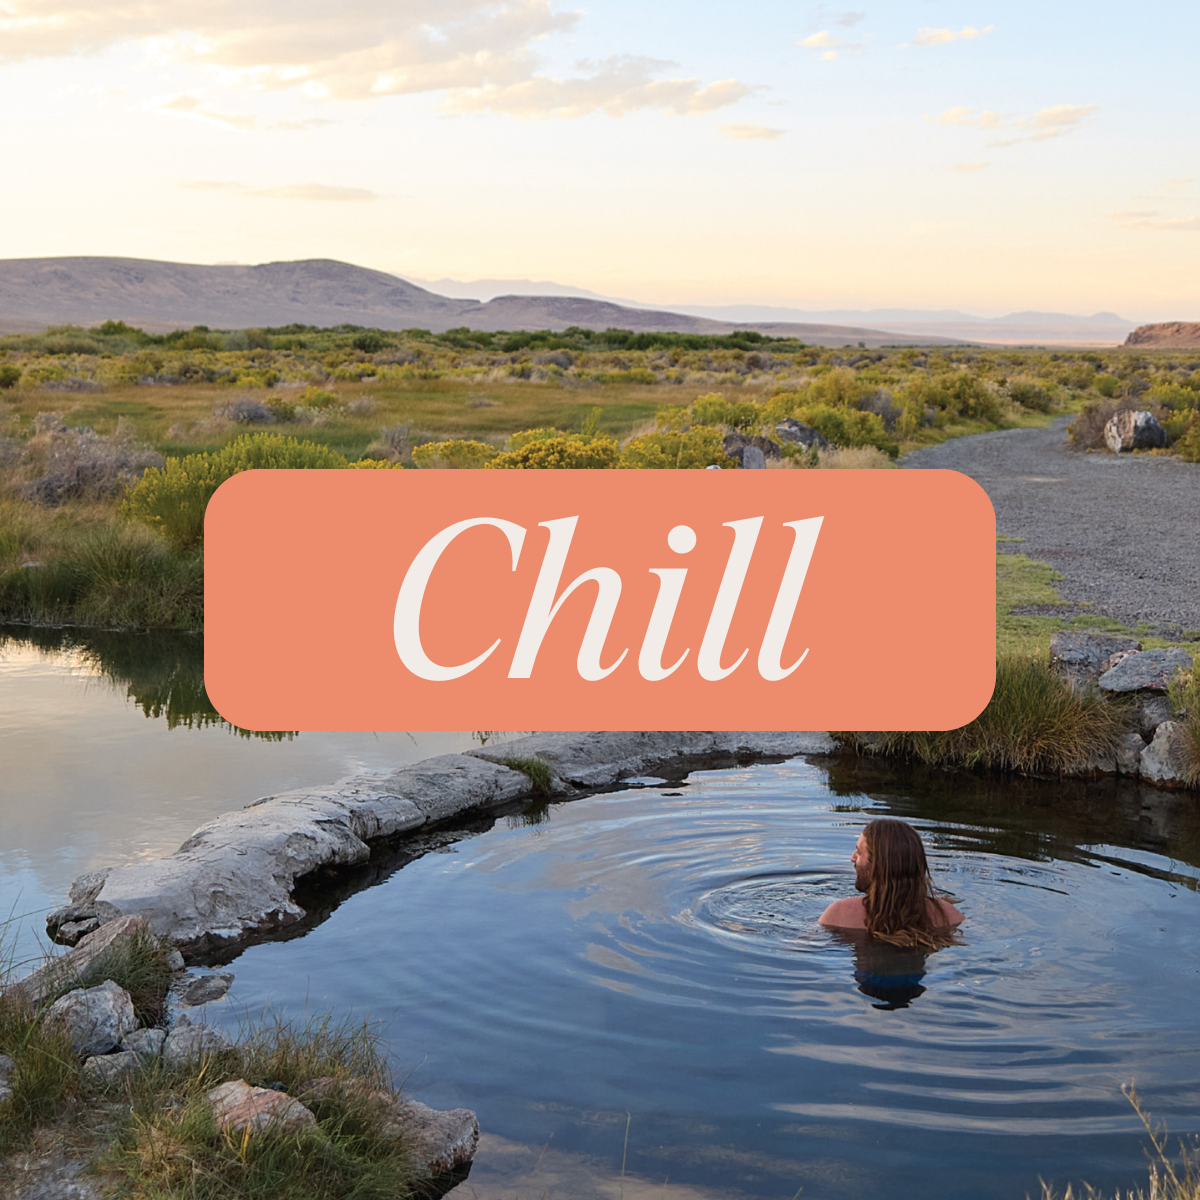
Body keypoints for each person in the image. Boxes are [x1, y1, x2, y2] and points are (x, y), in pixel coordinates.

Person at [819, 818, 963, 947]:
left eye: (859, 852)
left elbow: (809, 947)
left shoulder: (839, 914)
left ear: (878, 866)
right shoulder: (949, 915)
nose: (852, 858)